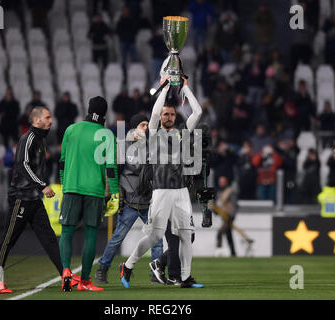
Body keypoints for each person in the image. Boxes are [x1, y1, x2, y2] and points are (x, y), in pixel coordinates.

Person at [119, 73, 204, 289]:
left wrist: (185, 88)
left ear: (175, 116)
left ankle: (185, 278)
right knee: (154, 235)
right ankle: (128, 266)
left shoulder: (182, 133)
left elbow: (198, 111)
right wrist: (165, 88)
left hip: (181, 191)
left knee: (186, 234)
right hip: (161, 190)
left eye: (171, 114)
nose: (168, 116)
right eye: (166, 114)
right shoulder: (154, 133)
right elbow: (155, 112)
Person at [0, 106, 63, 294]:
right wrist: (42, 185)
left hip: (34, 199)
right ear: (37, 120)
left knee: (50, 239)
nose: (51, 120)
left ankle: (66, 275)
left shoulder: (39, 140)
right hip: (21, 198)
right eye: (47, 117)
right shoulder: (27, 138)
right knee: (8, 239)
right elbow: (22, 166)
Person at [58, 96, 119, 292]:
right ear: (104, 113)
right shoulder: (107, 134)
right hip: (95, 190)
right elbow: (111, 168)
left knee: (66, 232)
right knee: (91, 235)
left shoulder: (70, 129)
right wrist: (115, 194)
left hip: (71, 188)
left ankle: (66, 272)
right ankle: (84, 281)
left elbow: (62, 162)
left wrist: (64, 184)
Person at [94, 114, 163, 284]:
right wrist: (110, 195)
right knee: (117, 237)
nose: (146, 128)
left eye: (148, 124)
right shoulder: (122, 147)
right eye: (143, 125)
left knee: (157, 239)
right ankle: (102, 269)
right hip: (130, 202)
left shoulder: (152, 148)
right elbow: (113, 172)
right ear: (133, 129)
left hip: (148, 202)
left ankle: (157, 272)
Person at [214, 175, 238, 257]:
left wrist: (232, 216)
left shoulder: (230, 192)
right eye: (220, 182)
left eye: (223, 182)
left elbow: (234, 205)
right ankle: (233, 253)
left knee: (220, 232)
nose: (221, 183)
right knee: (228, 234)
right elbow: (218, 206)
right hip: (223, 217)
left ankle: (219, 251)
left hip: (228, 216)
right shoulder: (219, 192)